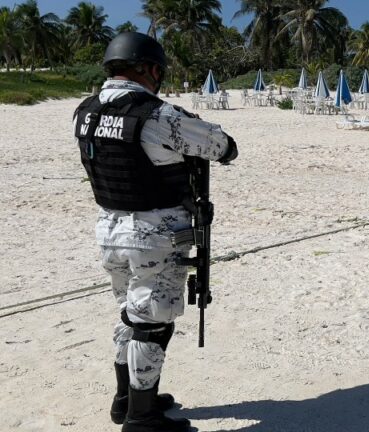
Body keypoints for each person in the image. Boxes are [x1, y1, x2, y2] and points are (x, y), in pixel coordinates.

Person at [73, 32, 238, 432]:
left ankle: (126, 399)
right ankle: (142, 419)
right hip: (154, 233)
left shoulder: (84, 111)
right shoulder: (158, 115)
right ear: (148, 69)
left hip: (109, 227)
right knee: (152, 323)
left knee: (130, 314)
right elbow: (224, 147)